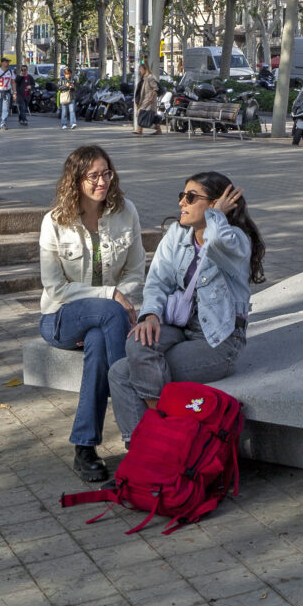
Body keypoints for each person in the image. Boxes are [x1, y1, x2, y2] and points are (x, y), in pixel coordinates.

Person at [108, 170, 265, 438]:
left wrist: (217, 216)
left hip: (219, 340)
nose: (182, 202)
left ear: (215, 203)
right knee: (135, 346)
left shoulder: (236, 240)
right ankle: (144, 447)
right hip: (180, 326)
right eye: (182, 195)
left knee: (123, 372)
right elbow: (157, 281)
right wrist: (150, 315)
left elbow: (218, 241)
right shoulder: (176, 235)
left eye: (191, 197)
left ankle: (159, 435)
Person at [38, 146, 147, 483]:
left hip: (108, 322)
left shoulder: (126, 212)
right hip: (61, 318)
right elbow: (55, 288)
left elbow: (136, 272)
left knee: (99, 341)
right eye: (94, 176)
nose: (103, 182)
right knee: (110, 312)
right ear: (76, 180)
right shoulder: (55, 222)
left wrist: (117, 298)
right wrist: (110, 295)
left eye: (107, 173)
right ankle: (137, 436)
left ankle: (84, 447)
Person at [136, 64, 163, 135]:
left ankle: (140, 129)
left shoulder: (150, 77)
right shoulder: (144, 78)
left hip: (149, 100)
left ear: (145, 69)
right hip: (145, 99)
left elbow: (155, 88)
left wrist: (152, 98)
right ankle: (158, 129)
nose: (140, 71)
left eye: (141, 69)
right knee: (151, 114)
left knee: (142, 112)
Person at [0, 65, 15, 130]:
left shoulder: (10, 72)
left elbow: (13, 82)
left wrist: (14, 92)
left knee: (5, 109)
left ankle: (3, 124)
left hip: (7, 92)